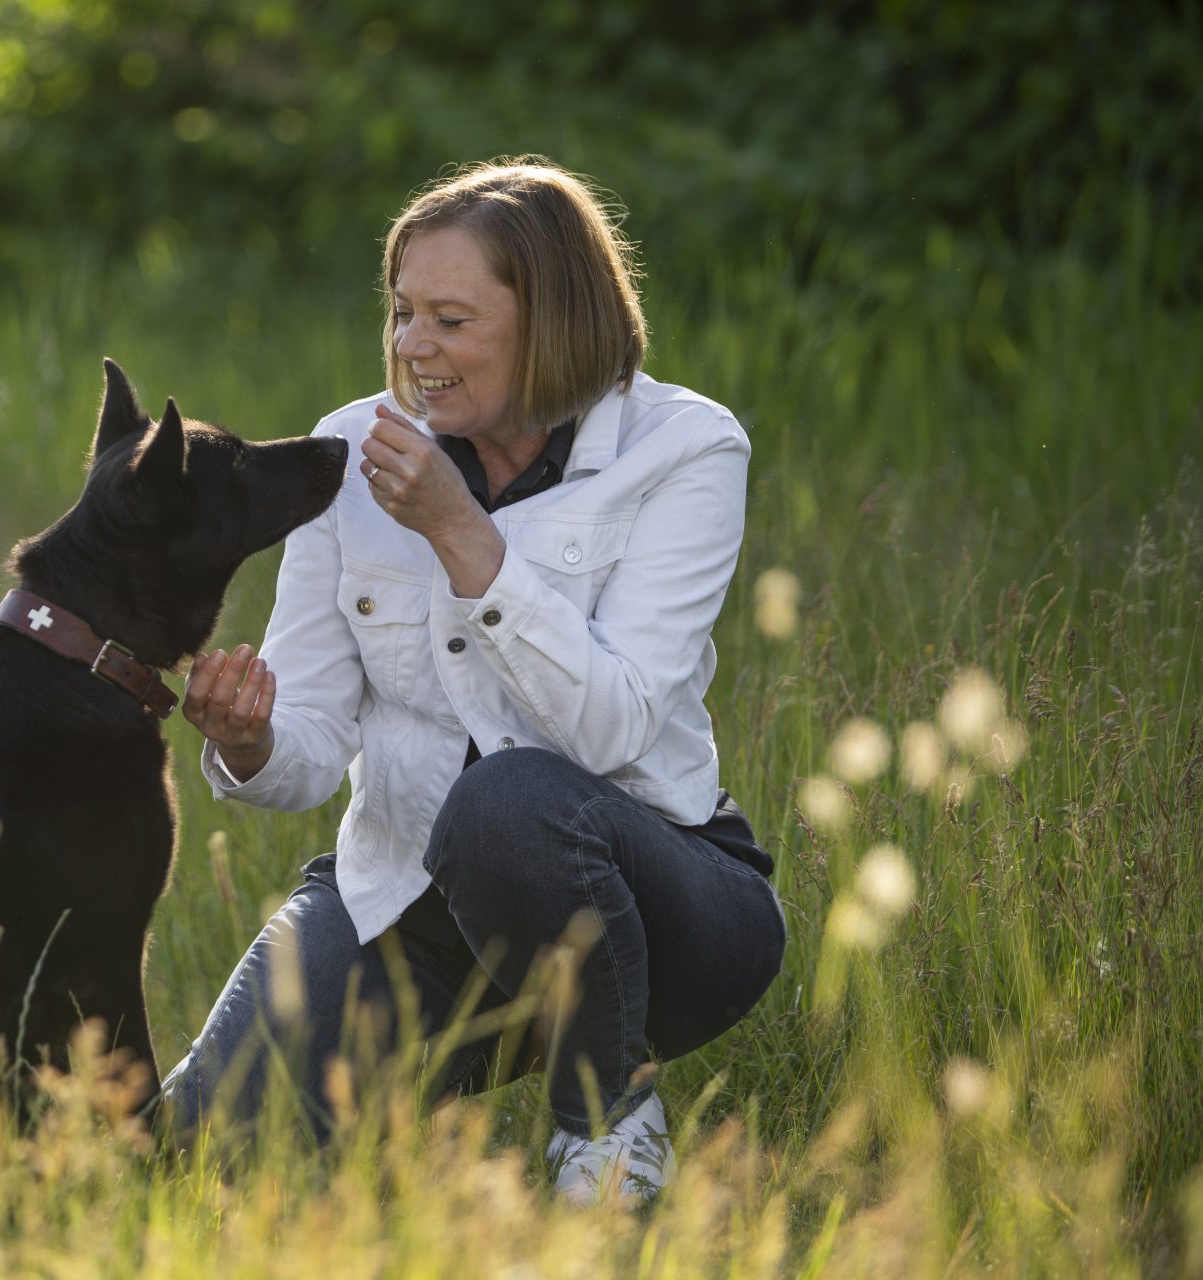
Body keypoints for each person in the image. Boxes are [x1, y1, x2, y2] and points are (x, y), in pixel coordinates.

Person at [161, 159, 786, 1208]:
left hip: (659, 896)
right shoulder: (349, 450)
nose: (412, 346)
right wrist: (252, 739)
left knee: (505, 801)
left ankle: (607, 1124)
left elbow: (615, 725)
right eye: (403, 312)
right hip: (406, 896)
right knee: (197, 1147)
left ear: (553, 321)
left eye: (451, 318)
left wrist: (460, 531)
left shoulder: (686, 448)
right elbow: (310, 744)